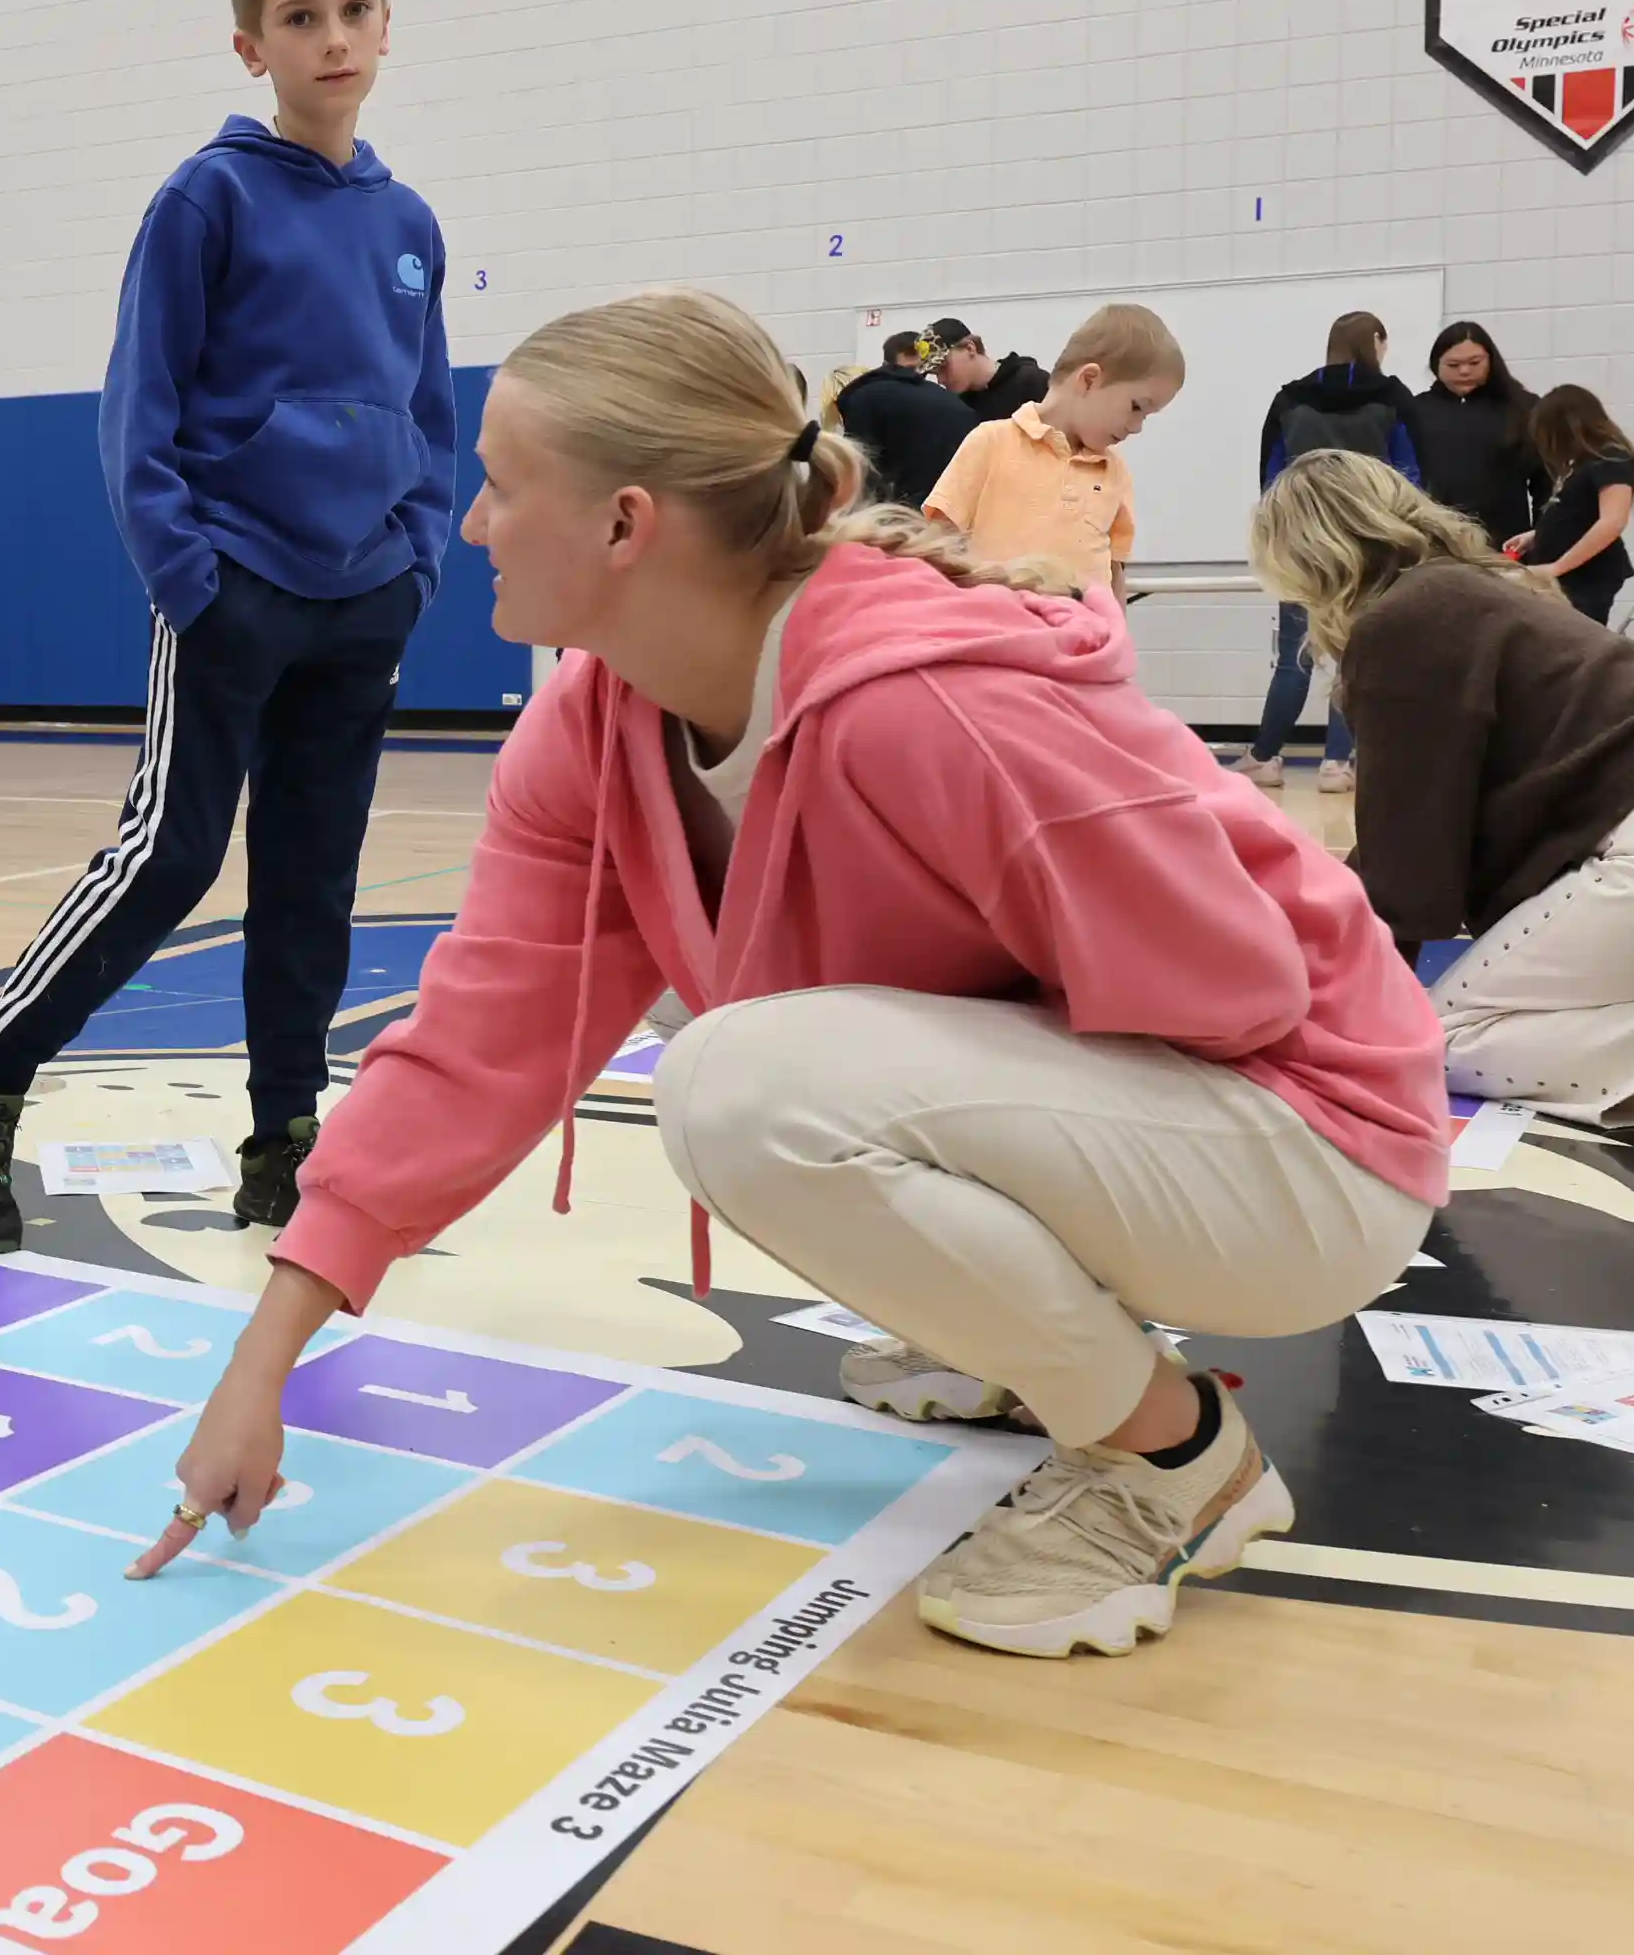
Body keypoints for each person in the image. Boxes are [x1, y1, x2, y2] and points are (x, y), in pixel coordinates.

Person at [126, 287, 1445, 1660]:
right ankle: (1023, 1343)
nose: (471, 526)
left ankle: (1176, 1466)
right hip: (1168, 1122)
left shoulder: (927, 709)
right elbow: (473, 1049)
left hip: (1318, 1145)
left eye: (505, 489)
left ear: (627, 524)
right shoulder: (594, 729)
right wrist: (259, 1366)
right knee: (755, 1057)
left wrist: (960, 1077)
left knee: (742, 1089)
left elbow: (1238, 990)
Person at [0, 0, 453, 1252]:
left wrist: (417, 563)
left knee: (314, 884)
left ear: (388, 24)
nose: (332, 37)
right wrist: (188, 574)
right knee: (171, 854)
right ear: (250, 46)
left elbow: (431, 414)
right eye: (299, 17)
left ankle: (283, 1138)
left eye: (354, 10)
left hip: (362, 603)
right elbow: (134, 409)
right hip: (234, 589)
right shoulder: (206, 199)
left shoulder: (409, 227)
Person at [1253, 450, 1634, 1135]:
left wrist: (1344, 1016)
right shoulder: (1500, 586)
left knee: (1448, 1036)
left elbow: (1407, 874)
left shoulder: (1403, 622)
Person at [1238, 311, 1417, 795]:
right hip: (1370, 544)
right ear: (1376, 342)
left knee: (1294, 658)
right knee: (1354, 656)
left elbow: (1271, 477)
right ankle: (1338, 763)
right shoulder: (1393, 398)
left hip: (1303, 546)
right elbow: (1411, 477)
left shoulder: (1290, 399)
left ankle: (1264, 757)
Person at [916, 303, 1180, 596]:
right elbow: (938, 545)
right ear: (1089, 379)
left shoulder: (1114, 471)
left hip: (1083, 637)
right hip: (1002, 631)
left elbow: (1114, 570)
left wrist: (1118, 639)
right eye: (1136, 407)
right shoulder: (989, 442)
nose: (1137, 426)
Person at [1508, 383, 1634, 626]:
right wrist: (1536, 536)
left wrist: (1557, 568)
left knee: (1572, 644)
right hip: (1566, 575)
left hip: (1586, 578)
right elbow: (1575, 515)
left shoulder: (1611, 459)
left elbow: (1612, 522)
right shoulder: (1580, 463)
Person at [1409, 319, 1541, 547]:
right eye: (1453, 365)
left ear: (1491, 361)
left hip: (1506, 542)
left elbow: (1544, 481)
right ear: (1436, 366)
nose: (1464, 371)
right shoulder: (1415, 411)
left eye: (1474, 362)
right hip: (1435, 541)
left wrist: (1542, 534)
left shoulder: (1523, 407)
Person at [832, 331, 976, 508]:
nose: (916, 377)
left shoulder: (865, 397)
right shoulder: (953, 404)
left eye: (922, 371)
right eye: (909, 370)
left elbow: (862, 473)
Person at [926, 316, 1050, 420]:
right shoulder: (958, 406)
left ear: (970, 348)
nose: (940, 380)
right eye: (935, 373)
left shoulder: (1032, 382)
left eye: (944, 367)